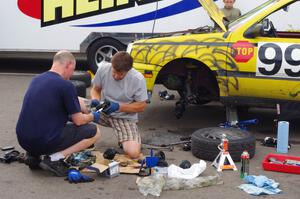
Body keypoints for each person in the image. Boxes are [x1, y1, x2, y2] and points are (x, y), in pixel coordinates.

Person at [16, 50, 101, 176]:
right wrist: (93, 116)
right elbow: (78, 120)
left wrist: (90, 104)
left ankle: (34, 156)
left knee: (49, 124)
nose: (72, 73)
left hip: (23, 140)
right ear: (69, 65)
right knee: (94, 132)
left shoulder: (37, 79)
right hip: (43, 140)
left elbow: (56, 104)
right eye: (73, 69)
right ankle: (54, 159)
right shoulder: (66, 85)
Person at [90, 51, 147, 159]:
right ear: (112, 66)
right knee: (77, 103)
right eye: (114, 72)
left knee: (133, 153)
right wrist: (95, 100)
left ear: (128, 70)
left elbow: (141, 106)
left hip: (124, 117)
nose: (116, 76)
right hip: (103, 110)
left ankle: (128, 139)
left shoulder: (138, 79)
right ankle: (80, 137)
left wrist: (118, 107)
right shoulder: (103, 69)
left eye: (121, 74)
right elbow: (95, 89)